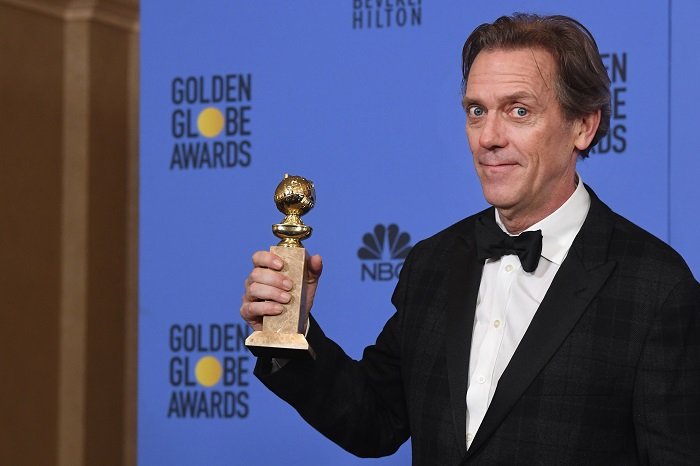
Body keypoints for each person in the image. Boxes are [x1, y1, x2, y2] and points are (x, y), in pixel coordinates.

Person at [240, 13, 700, 465]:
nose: (489, 138)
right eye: (477, 111)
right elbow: (374, 421)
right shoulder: (433, 263)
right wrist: (288, 332)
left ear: (583, 126)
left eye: (519, 111)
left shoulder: (655, 287)